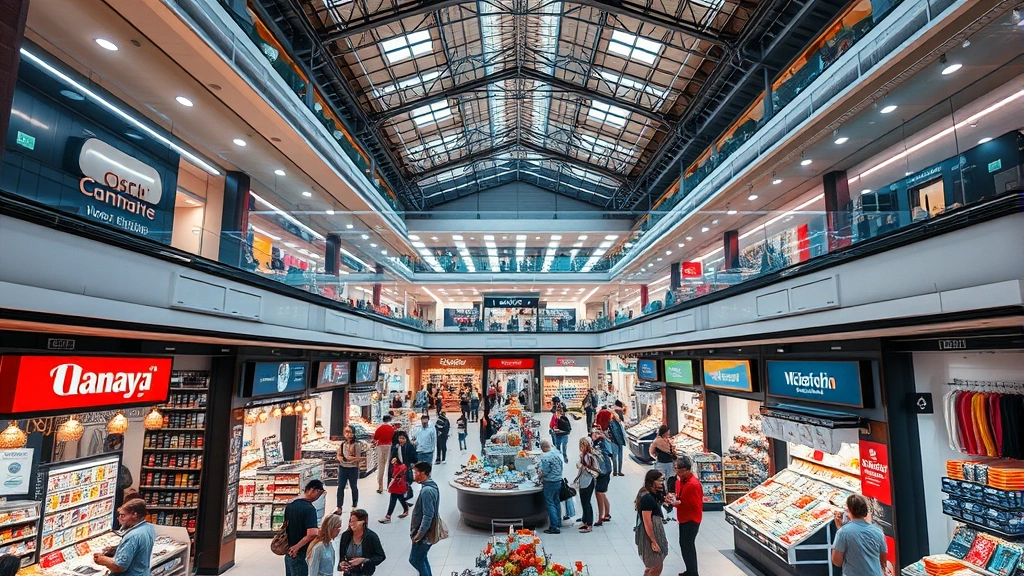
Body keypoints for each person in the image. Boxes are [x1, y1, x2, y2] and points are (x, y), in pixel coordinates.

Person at [92, 499, 155, 576]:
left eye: (123, 515)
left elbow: (119, 566)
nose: (119, 519)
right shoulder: (148, 527)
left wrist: (102, 560)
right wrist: (116, 549)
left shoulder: (133, 536)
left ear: (134, 515)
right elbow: (137, 548)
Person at [832, 494, 886, 576]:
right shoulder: (878, 531)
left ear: (849, 510)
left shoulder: (843, 532)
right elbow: (883, 561)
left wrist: (840, 529)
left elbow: (837, 562)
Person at [282, 480, 326, 576]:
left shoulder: (290, 505)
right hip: (300, 552)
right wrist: (297, 547)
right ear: (312, 490)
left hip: (288, 552)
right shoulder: (309, 509)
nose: (319, 495)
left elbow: (285, 526)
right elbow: (312, 533)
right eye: (319, 492)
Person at [671, 456, 703, 576]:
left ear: (685, 469)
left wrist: (677, 503)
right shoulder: (680, 481)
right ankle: (690, 570)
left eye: (677, 468)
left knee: (688, 545)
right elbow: (680, 496)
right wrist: (675, 498)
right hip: (683, 517)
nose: (676, 471)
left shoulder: (692, 484)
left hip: (691, 519)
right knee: (684, 545)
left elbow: (693, 505)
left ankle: (693, 572)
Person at [636, 470, 670, 576]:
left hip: (655, 530)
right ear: (652, 481)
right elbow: (647, 522)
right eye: (660, 480)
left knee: (652, 565)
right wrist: (653, 540)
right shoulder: (647, 498)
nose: (662, 483)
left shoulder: (652, 493)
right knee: (657, 565)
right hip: (650, 533)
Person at [409, 462, 439, 576]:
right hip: (427, 533)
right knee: (421, 558)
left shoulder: (427, 491)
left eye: (416, 472)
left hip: (424, 534)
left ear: (423, 473)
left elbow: (428, 516)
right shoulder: (431, 486)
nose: (414, 475)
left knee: (415, 559)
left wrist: (419, 535)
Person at [338, 509, 387, 575]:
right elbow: (342, 556)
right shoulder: (346, 535)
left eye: (355, 521)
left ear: (363, 522)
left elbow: (380, 556)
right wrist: (342, 564)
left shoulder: (371, 537)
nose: (352, 524)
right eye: (351, 521)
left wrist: (364, 560)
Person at [336, 425, 367, 514]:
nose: (348, 434)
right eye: (346, 432)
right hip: (343, 467)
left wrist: (351, 459)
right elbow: (338, 454)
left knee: (353, 486)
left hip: (353, 468)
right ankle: (339, 507)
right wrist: (339, 458)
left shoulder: (356, 444)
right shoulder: (342, 444)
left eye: (350, 432)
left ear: (353, 433)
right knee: (340, 487)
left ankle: (354, 503)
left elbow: (358, 457)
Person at [650, 425, 677, 518]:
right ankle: (663, 500)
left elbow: (673, 452)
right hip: (661, 464)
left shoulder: (669, 441)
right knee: (661, 482)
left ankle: (670, 502)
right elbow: (651, 451)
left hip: (670, 464)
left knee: (671, 482)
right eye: (667, 432)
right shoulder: (657, 441)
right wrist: (656, 458)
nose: (668, 434)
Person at [574, 437, 600, 533]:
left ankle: (589, 523)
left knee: (586, 502)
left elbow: (588, 469)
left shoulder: (588, 456)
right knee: (584, 502)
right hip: (584, 481)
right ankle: (585, 521)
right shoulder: (585, 455)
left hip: (588, 481)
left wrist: (581, 466)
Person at [537, 440, 563, 535]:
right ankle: (558, 521)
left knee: (550, 503)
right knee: (556, 502)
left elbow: (546, 471)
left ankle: (554, 526)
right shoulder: (556, 455)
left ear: (542, 448)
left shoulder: (545, 457)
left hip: (550, 482)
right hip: (558, 480)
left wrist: (540, 475)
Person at [591, 428, 613, 526]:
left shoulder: (598, 445)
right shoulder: (602, 443)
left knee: (599, 494)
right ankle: (607, 513)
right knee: (602, 493)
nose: (594, 435)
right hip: (606, 471)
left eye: (596, 433)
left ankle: (600, 518)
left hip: (602, 473)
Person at [379, 457, 410, 523]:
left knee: (393, 500)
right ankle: (406, 510)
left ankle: (388, 516)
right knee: (400, 498)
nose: (393, 461)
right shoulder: (397, 466)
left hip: (397, 486)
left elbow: (395, 475)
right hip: (397, 486)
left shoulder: (400, 467)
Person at [390, 431, 417, 502]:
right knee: (402, 480)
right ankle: (404, 493)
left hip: (407, 466)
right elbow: (394, 455)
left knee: (406, 480)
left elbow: (413, 457)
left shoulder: (409, 446)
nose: (401, 440)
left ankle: (407, 493)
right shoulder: (397, 446)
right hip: (400, 466)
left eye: (403, 438)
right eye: (400, 438)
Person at [372, 415, 396, 494]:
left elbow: (375, 438)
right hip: (389, 446)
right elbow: (394, 438)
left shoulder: (379, 428)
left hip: (380, 446)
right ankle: (389, 485)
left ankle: (380, 486)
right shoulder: (392, 429)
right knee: (389, 466)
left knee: (381, 466)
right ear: (390, 420)